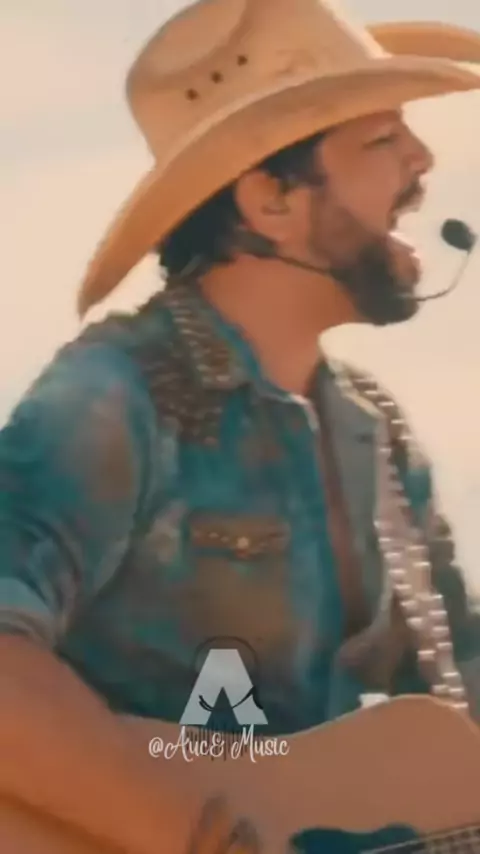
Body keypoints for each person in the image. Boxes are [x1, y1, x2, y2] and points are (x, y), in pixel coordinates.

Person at [2, 2, 480, 852]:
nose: (422, 159)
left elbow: (461, 675)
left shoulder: (374, 431)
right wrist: (190, 833)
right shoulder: (116, 395)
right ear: (271, 201)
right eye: (381, 140)